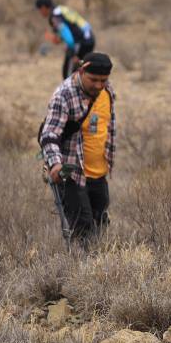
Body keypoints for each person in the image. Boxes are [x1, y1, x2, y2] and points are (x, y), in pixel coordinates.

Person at [39, 52, 116, 244]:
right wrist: (55, 165)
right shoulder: (64, 95)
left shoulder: (107, 92)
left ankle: (100, 268)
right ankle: (82, 272)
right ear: (82, 71)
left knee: (100, 226)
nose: (98, 85)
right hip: (72, 173)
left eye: (103, 80)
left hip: (99, 173)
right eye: (93, 80)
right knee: (82, 232)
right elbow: (49, 134)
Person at [35, 0, 96, 80]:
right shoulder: (61, 9)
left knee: (68, 75)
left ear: (43, 7)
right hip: (89, 39)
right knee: (81, 74)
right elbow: (72, 27)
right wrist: (59, 39)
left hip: (81, 42)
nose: (40, 13)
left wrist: (73, 54)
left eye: (39, 10)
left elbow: (69, 38)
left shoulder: (55, 17)